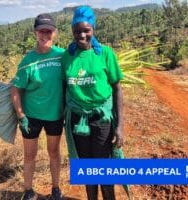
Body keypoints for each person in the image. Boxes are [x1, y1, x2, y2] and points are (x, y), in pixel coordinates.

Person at [62, 6, 124, 200]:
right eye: (77, 31)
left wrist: (120, 126)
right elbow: (64, 89)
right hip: (77, 122)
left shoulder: (105, 54)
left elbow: (117, 88)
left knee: (104, 168)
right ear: (72, 31)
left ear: (93, 29)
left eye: (86, 30)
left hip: (101, 120)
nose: (81, 35)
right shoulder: (67, 57)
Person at [10, 13, 64, 200]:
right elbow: (16, 90)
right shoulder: (27, 61)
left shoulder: (61, 56)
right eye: (42, 31)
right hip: (31, 116)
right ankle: (28, 191)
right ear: (35, 33)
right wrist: (21, 115)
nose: (45, 35)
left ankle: (56, 189)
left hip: (55, 115)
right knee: (30, 155)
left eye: (49, 32)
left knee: (54, 152)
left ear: (54, 33)